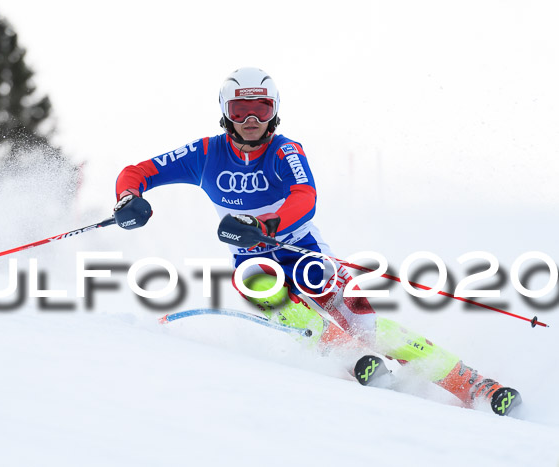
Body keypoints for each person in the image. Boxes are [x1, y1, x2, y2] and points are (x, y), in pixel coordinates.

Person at [112, 67, 521, 416]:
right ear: (224, 113)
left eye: (261, 109)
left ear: (274, 111)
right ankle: (351, 356)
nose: (251, 119)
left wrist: (268, 223)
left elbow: (305, 198)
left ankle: (474, 385)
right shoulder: (204, 154)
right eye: (240, 110)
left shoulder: (285, 149)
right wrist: (129, 198)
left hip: (303, 250)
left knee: (367, 322)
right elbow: (137, 171)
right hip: (254, 260)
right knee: (256, 285)